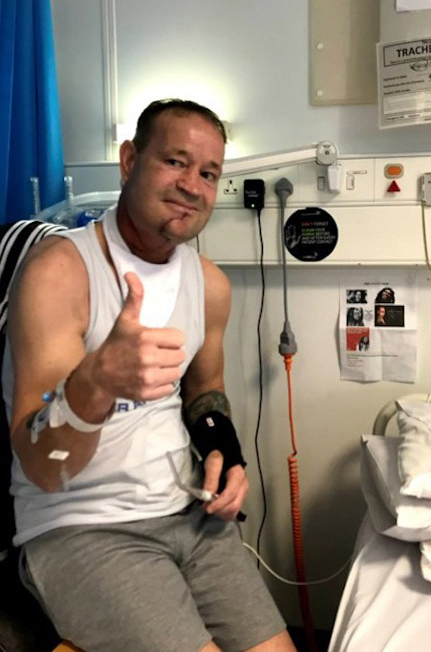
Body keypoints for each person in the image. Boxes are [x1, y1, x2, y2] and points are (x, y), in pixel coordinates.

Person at [3, 99, 295, 652]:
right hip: (81, 525)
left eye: (208, 173)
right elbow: (44, 467)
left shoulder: (210, 286)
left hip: (190, 515)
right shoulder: (58, 272)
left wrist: (226, 455)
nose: (192, 185)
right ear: (129, 161)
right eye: (175, 161)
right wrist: (96, 384)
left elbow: (205, 392)